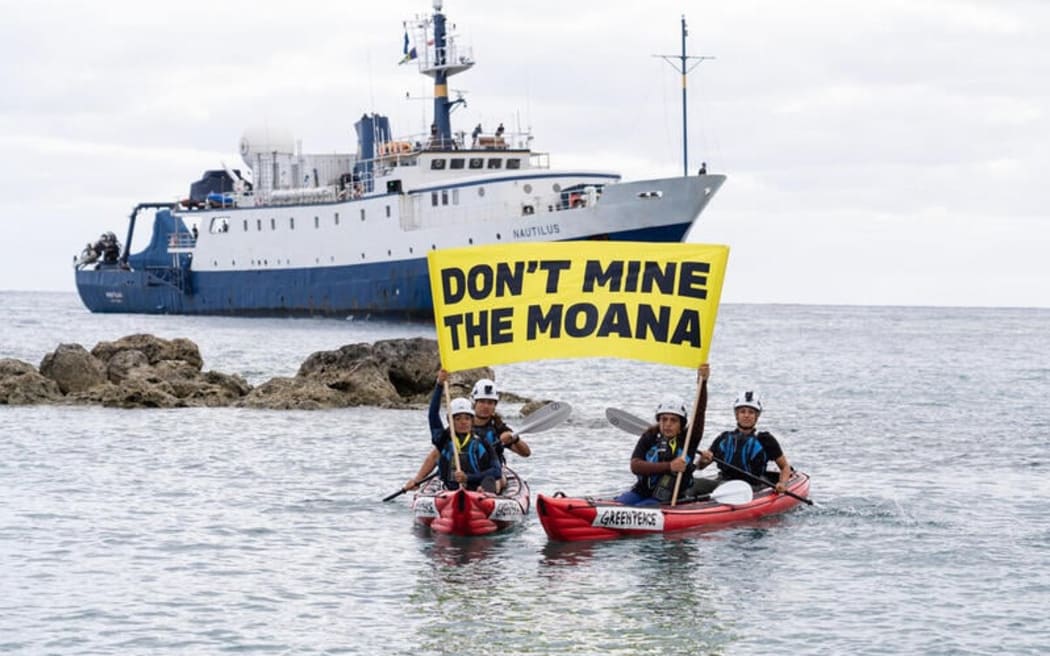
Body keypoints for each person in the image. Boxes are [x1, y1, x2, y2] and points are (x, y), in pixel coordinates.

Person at [614, 365, 708, 506]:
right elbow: (635, 465)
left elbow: (699, 412)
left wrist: (703, 382)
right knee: (619, 504)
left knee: (642, 507)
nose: (668, 424)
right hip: (641, 491)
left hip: (670, 498)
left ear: (681, 424)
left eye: (673, 420)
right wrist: (669, 466)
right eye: (664, 419)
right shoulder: (650, 436)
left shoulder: (689, 440)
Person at [405, 371, 502, 493]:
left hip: (475, 491)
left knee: (489, 481)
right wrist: (439, 385)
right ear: (450, 420)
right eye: (458, 418)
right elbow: (433, 415)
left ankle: (483, 494)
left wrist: (467, 477)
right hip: (449, 491)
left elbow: (497, 471)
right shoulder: (443, 439)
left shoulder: (483, 442)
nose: (463, 422)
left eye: (467, 418)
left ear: (472, 420)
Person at [694, 387, 793, 495]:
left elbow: (785, 467)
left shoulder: (765, 439)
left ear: (757, 416)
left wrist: (782, 483)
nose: (746, 415)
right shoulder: (723, 438)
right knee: (692, 484)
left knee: (724, 488)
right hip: (723, 480)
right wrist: (703, 460)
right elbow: (700, 467)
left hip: (751, 485)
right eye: (742, 412)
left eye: (751, 412)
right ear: (737, 415)